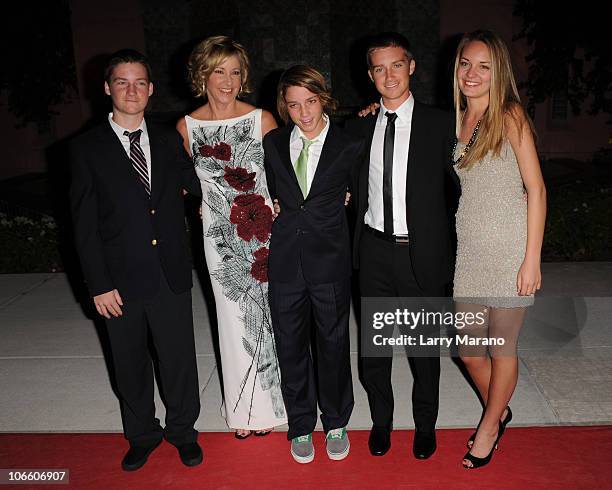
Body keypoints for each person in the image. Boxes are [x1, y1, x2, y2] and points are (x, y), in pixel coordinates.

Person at [70, 49, 202, 471]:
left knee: (179, 360)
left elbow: (198, 184)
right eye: (122, 82)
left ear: (151, 90)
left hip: (170, 273)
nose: (132, 90)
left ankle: (183, 431)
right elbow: (84, 226)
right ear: (107, 88)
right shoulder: (85, 149)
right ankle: (142, 434)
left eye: (140, 82)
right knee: (129, 364)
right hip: (118, 281)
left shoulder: (166, 139)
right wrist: (98, 284)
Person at [349, 32, 457, 459]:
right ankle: (381, 422)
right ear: (371, 74)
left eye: (396, 65)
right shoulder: (357, 127)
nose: (388, 75)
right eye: (379, 68)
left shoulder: (440, 123)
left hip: (421, 254)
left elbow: (468, 181)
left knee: (423, 350)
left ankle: (425, 425)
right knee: (373, 351)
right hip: (373, 252)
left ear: (411, 66)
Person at [176, 36, 287, 439]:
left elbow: (283, 173)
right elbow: (182, 182)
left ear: (244, 78)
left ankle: (274, 402)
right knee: (231, 318)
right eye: (218, 70)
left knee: (268, 317)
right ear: (202, 74)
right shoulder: (186, 127)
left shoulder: (261, 119)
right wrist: (198, 201)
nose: (227, 80)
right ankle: (244, 410)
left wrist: (282, 203)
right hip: (220, 237)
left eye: (235, 72)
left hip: (262, 234)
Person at [451, 29, 546, 469]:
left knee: (500, 348)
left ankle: (489, 428)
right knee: (469, 349)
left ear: (498, 73)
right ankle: (500, 407)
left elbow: (537, 189)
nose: (473, 74)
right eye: (466, 64)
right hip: (469, 251)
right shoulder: (458, 119)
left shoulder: (508, 115)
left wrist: (532, 258)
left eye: (484, 66)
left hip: (510, 249)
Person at [263, 65, 362, 464]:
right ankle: (301, 425)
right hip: (285, 261)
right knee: (290, 347)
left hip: (331, 262)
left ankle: (336, 420)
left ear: (324, 98)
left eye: (311, 101)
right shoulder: (272, 143)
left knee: (333, 345)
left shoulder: (349, 143)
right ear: (284, 108)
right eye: (294, 105)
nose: (304, 113)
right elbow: (264, 187)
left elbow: (366, 191)